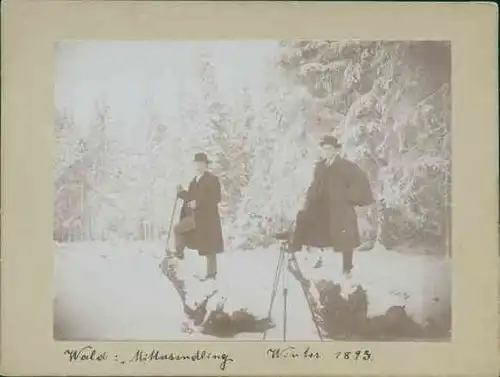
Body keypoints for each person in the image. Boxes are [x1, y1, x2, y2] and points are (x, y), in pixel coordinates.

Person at [289, 135, 374, 278]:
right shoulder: (321, 166)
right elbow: (315, 184)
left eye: (329, 149)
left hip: (340, 208)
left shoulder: (345, 166)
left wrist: (348, 197)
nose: (327, 152)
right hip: (322, 206)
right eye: (324, 149)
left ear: (336, 150)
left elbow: (360, 182)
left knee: (345, 238)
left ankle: (347, 268)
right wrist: (309, 198)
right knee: (308, 222)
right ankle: (304, 252)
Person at [174, 152, 224, 281]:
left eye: (200, 162)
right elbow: (191, 197)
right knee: (179, 229)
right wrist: (181, 193)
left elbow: (216, 197)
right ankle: (178, 253)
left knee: (210, 249)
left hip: (208, 219)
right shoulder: (194, 181)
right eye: (196, 162)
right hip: (196, 218)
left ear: (205, 164)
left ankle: (211, 275)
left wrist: (198, 203)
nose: (198, 165)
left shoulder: (212, 179)